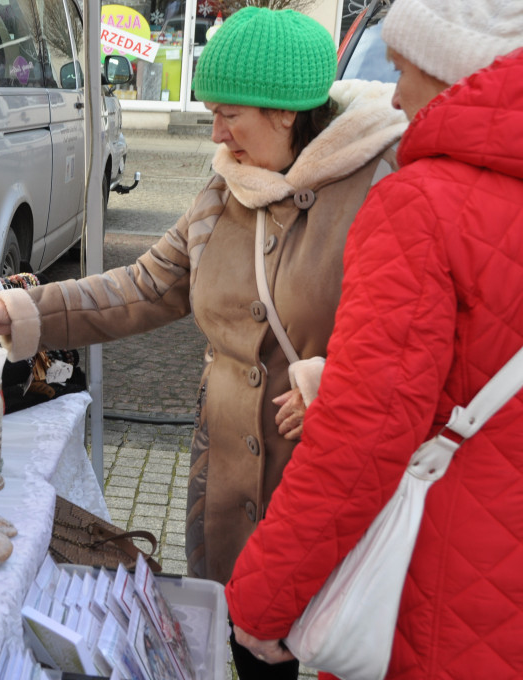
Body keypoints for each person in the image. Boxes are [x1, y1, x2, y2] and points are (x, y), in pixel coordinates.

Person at [0, 7, 406, 679]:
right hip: (225, 483)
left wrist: (340, 386)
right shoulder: (223, 191)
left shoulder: (381, 189)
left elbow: (414, 342)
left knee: (347, 644)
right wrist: (24, 310)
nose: (216, 133)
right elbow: (141, 287)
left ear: (285, 112)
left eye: (231, 114)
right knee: (249, 651)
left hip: (326, 486)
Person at [225, 1, 523, 677]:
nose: (393, 94)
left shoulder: (420, 203)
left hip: (447, 587)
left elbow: (363, 436)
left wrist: (264, 601)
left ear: (452, 71)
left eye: (403, 69)